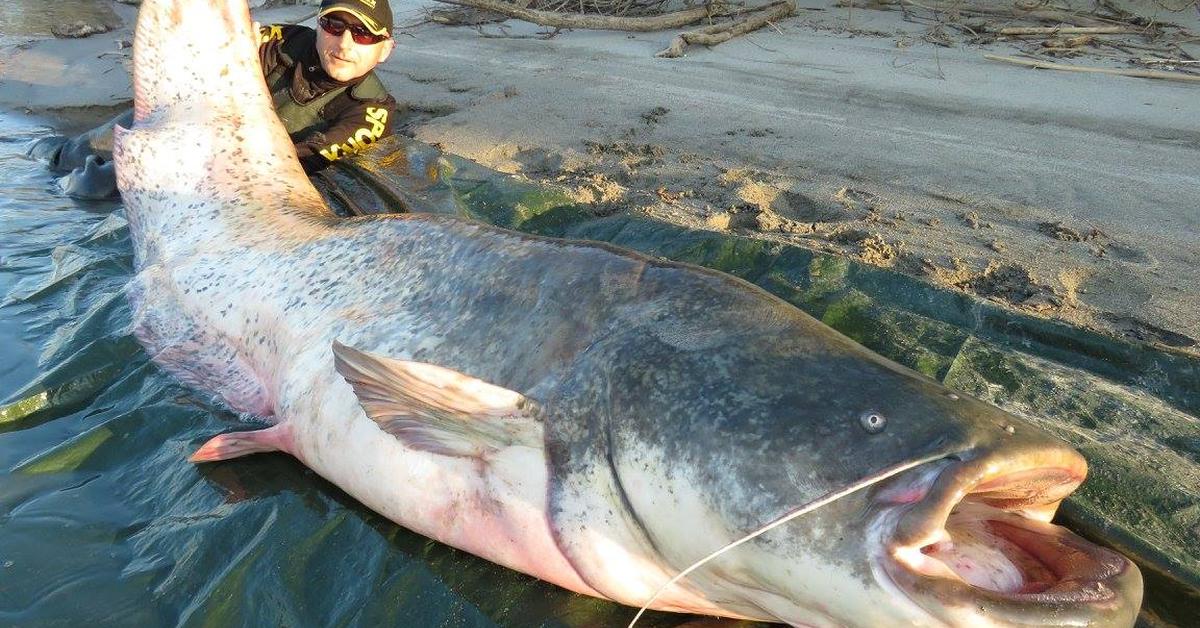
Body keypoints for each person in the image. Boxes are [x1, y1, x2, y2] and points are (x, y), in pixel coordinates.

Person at [33, 0, 400, 200]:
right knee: (83, 149)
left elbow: (313, 153)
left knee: (94, 190)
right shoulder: (281, 41)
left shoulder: (371, 111)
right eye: (334, 26)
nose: (344, 44)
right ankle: (40, 157)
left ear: (385, 49)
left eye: (364, 36)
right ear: (319, 25)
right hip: (192, 125)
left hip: (243, 173)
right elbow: (207, 55)